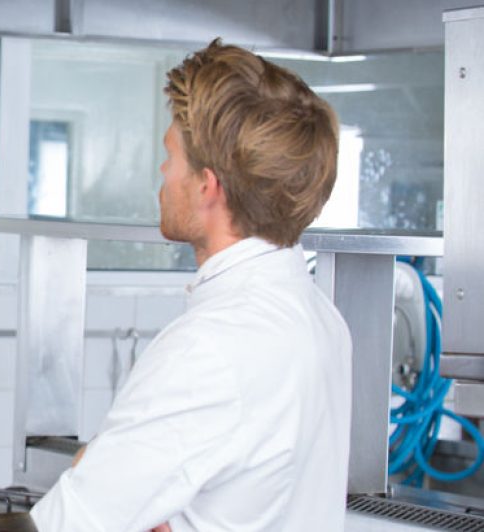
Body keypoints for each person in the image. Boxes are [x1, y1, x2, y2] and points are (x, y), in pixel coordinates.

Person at [30, 39, 351, 531]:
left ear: (207, 186)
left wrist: (92, 475)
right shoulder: (321, 318)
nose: (162, 173)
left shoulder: (210, 349)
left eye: (171, 156)